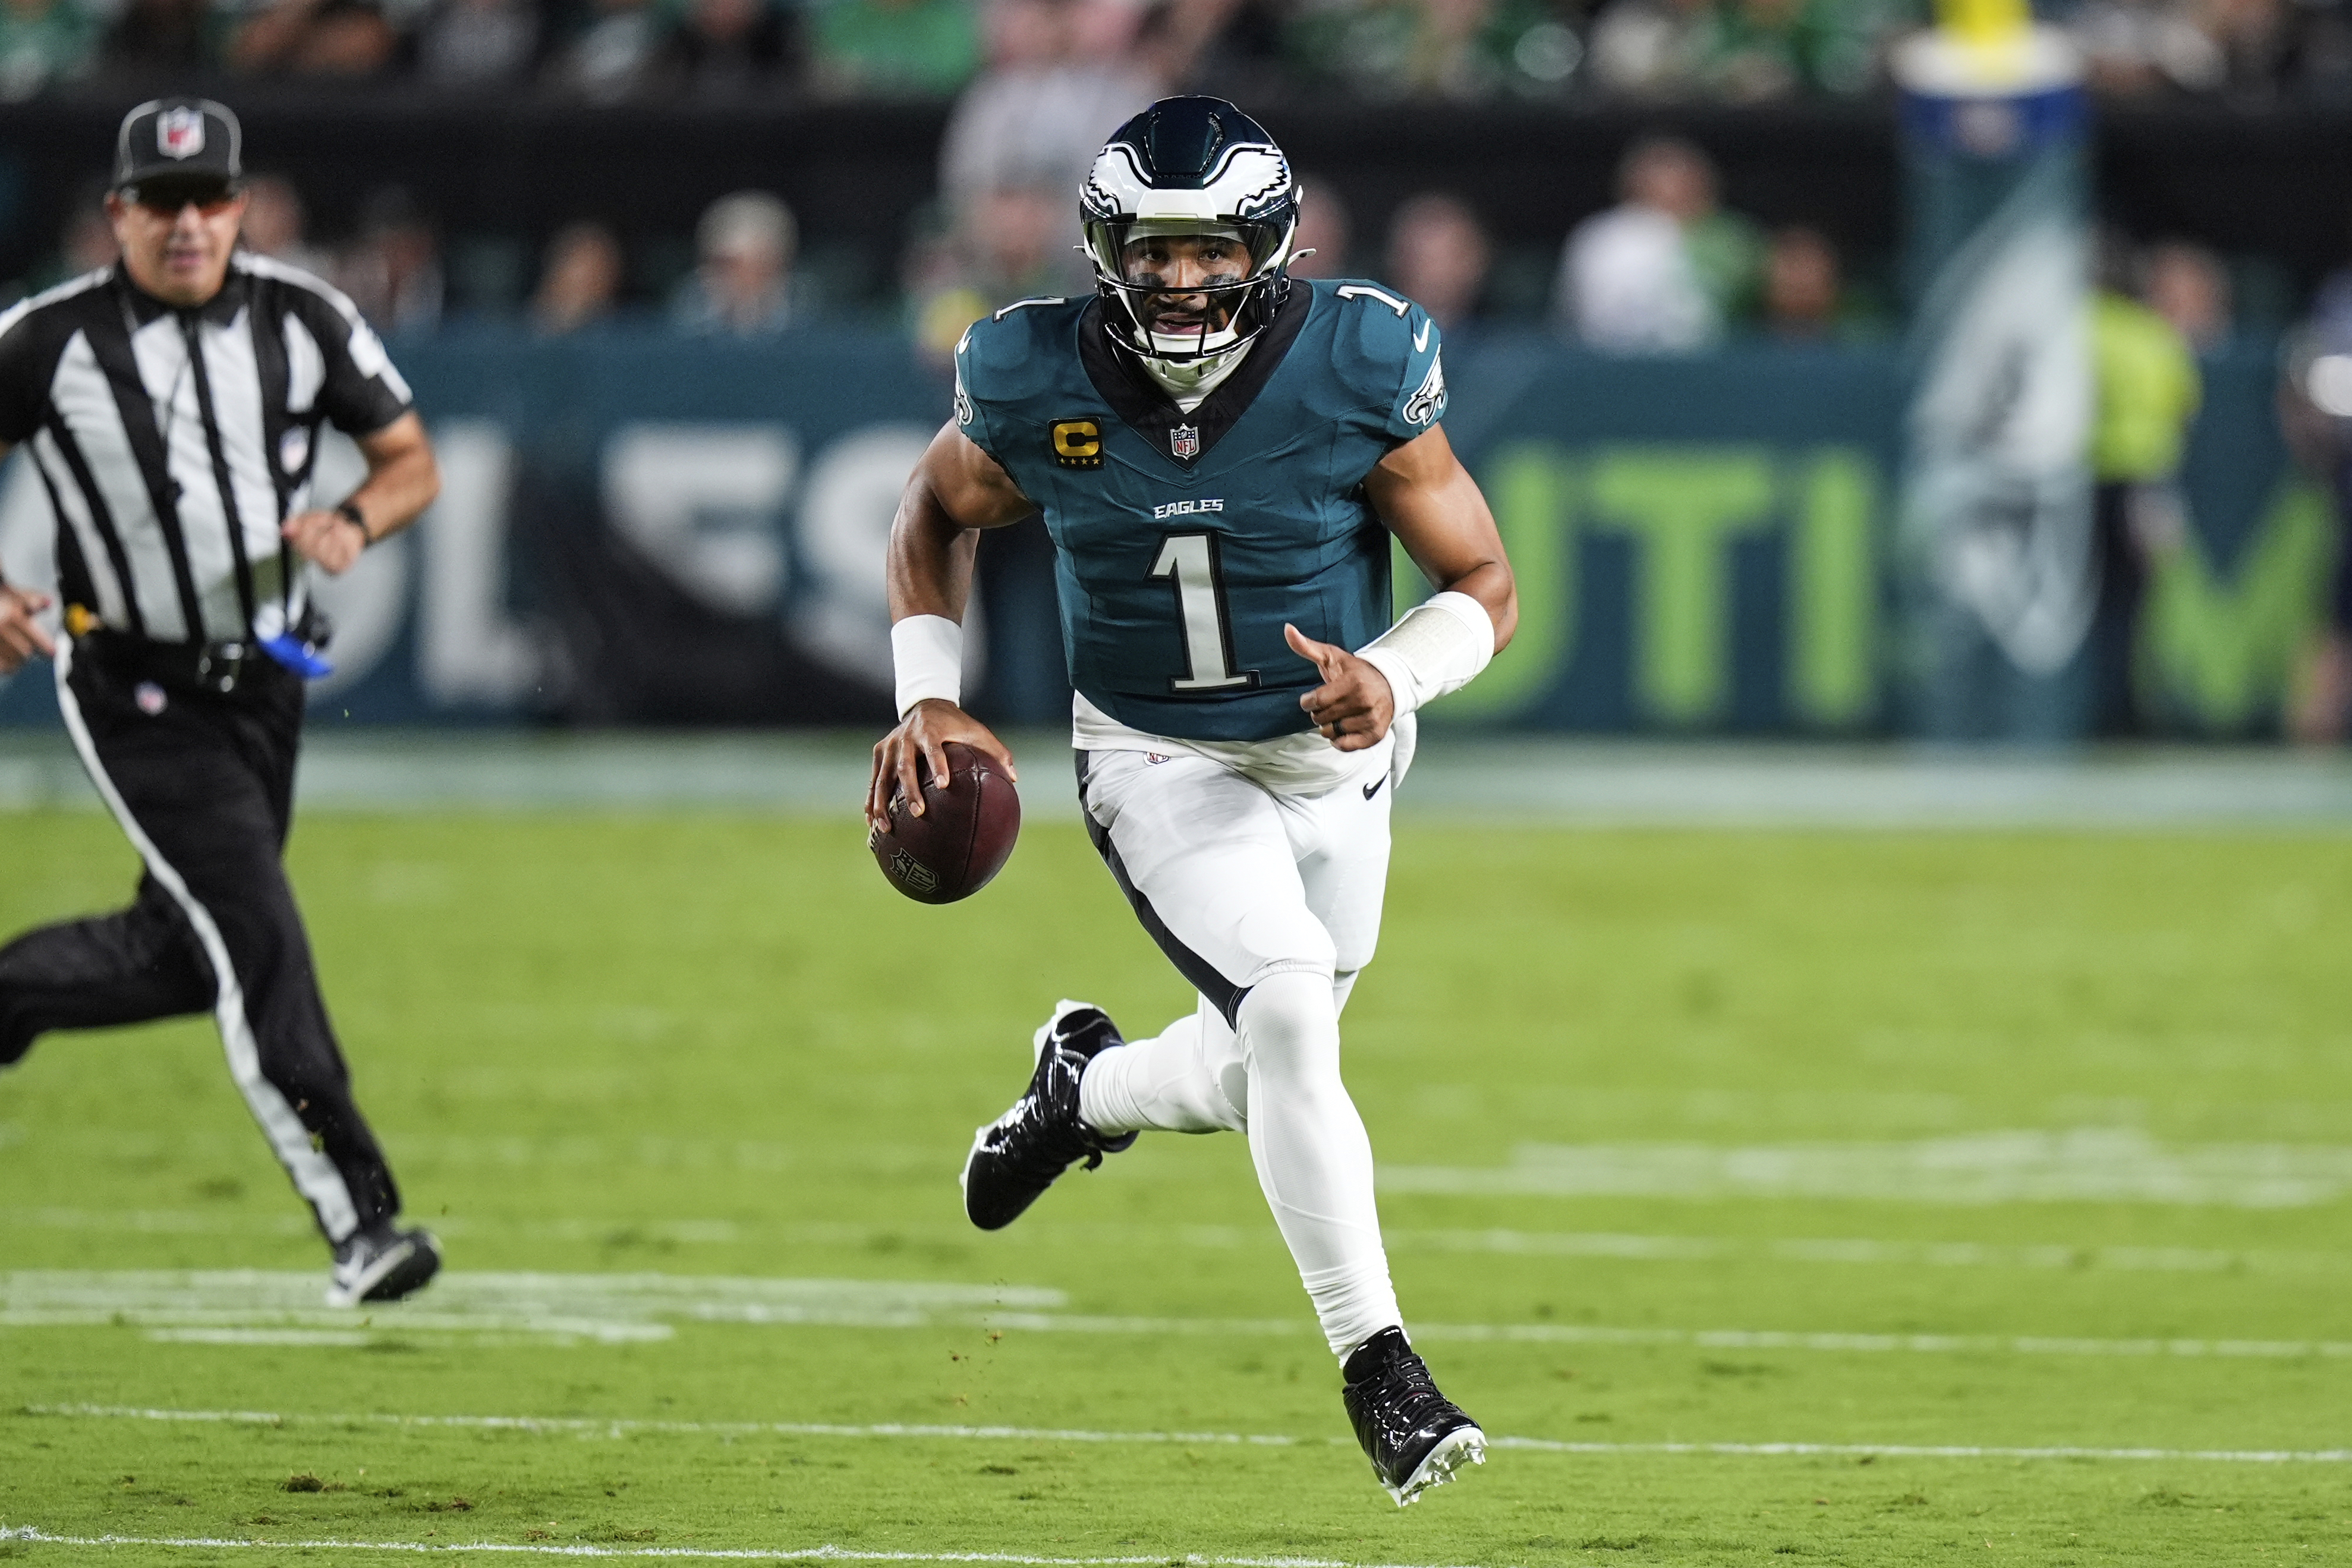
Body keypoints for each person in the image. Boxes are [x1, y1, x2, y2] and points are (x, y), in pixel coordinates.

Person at [866, 97, 1515, 1506]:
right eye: (1151, 252)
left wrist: (1394, 679)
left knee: (1260, 1061)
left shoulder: (1358, 356)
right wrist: (928, 686)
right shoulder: (1031, 369)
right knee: (1284, 1005)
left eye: (1209, 249)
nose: (1178, 280)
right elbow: (930, 510)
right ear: (1104, 247)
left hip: (1334, 748)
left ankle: (1080, 1086)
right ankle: (1380, 1368)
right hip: (1156, 752)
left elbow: (1485, 586)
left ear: (1268, 246)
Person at [0, 98, 444, 1307]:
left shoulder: (304, 319)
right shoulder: (46, 339)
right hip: (134, 685)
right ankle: (360, 1218)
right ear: (118, 214)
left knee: (187, 949)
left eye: (208, 200)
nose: (187, 224)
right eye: (161, 201)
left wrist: (352, 521)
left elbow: (411, 459)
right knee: (256, 932)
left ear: (240, 206)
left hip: (265, 681)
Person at [1556, 134, 1760, 352]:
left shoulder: (1731, 238)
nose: (1679, 188)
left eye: (1688, 179)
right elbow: (1574, 318)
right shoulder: (1602, 237)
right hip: (1610, 362)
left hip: (1708, 364)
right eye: (1664, 176)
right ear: (1634, 184)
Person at [672, 191, 796, 335]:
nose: (716, 274)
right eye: (714, 262)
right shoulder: (680, 330)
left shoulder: (809, 332)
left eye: (732, 264)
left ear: (773, 265)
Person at [1383, 191, 1490, 336]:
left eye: (1437, 258)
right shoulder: (1359, 341)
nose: (1420, 271)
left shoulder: (1511, 350)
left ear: (1473, 263)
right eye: (1412, 255)